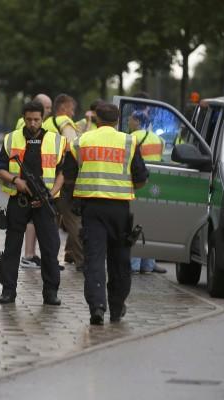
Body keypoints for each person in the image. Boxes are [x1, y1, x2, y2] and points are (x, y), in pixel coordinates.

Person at [66, 102, 148, 325]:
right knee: (120, 261)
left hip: (91, 209)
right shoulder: (129, 142)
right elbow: (140, 180)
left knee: (94, 259)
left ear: (96, 119)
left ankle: (97, 307)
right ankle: (117, 306)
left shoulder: (81, 142)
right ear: (117, 119)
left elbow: (70, 175)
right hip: (119, 210)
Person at [0, 100, 66, 306]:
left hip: (45, 202)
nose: (33, 123)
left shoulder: (56, 140)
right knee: (12, 247)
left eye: (36, 119)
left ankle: (50, 292)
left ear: (43, 119)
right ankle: (8, 291)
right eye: (29, 119)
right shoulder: (11, 139)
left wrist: (51, 194)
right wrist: (16, 181)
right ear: (23, 119)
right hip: (19, 200)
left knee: (50, 248)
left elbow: (64, 172)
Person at [43, 94, 84, 270]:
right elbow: (75, 148)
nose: (73, 113)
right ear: (64, 108)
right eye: (71, 109)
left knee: (52, 222)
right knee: (74, 221)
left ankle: (51, 259)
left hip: (47, 177)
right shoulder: (65, 123)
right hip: (66, 178)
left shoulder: (46, 124)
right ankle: (82, 261)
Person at [127, 110, 166, 274]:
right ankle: (148, 265)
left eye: (130, 119)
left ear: (136, 121)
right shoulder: (159, 139)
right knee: (150, 224)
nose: (128, 122)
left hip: (139, 182)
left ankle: (133, 265)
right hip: (154, 184)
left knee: (136, 223)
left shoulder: (133, 137)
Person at [17, 94, 52, 269]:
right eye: (47, 107)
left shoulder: (50, 132)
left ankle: (34, 256)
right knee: (28, 225)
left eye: (36, 119)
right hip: (22, 192)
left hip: (45, 191)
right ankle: (29, 255)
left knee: (49, 240)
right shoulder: (18, 132)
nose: (32, 123)